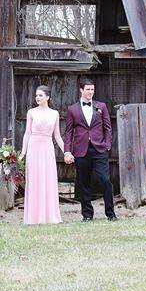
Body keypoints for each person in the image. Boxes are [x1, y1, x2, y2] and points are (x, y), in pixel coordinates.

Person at [63, 78, 118, 221]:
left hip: (99, 150)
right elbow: (68, 132)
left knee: (105, 180)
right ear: (81, 90)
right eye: (88, 89)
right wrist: (67, 151)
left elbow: (108, 127)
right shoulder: (72, 109)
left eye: (92, 89)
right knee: (84, 183)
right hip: (81, 151)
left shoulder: (101, 106)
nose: (90, 92)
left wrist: (107, 145)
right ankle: (87, 215)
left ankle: (111, 214)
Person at [19, 85, 65, 224]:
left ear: (47, 97)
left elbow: (57, 135)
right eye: (36, 96)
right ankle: (33, 217)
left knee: (48, 179)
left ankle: (49, 216)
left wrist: (66, 151)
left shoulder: (54, 113)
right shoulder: (31, 112)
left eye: (40, 95)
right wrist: (23, 152)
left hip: (47, 148)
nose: (37, 98)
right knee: (34, 180)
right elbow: (27, 133)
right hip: (34, 148)